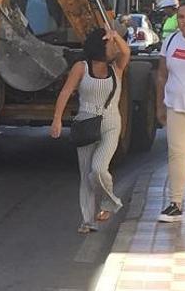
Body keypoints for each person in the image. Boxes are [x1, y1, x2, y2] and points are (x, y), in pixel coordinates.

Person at [51, 26, 131, 233]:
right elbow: (66, 92)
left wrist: (115, 36)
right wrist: (57, 119)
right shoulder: (81, 67)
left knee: (98, 169)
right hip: (85, 122)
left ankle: (110, 203)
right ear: (100, 45)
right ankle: (88, 221)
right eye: (110, 43)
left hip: (111, 122)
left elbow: (126, 52)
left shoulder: (117, 68)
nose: (114, 47)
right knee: (85, 173)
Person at [155, 0, 185, 223]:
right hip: (177, 108)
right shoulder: (170, 41)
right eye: (181, 17)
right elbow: (162, 74)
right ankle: (176, 204)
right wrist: (160, 105)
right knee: (177, 156)